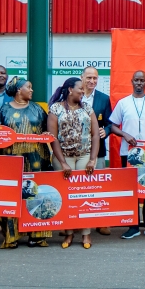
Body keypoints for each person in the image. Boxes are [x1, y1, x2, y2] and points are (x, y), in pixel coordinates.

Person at [0, 78, 61, 248]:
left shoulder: (38, 109)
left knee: (37, 194)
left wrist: (47, 133)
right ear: (18, 90)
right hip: (11, 160)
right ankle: (12, 236)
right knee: (12, 195)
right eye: (28, 87)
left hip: (36, 159)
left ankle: (37, 235)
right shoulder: (4, 110)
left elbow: (49, 129)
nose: (31, 91)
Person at [109, 70, 145, 239]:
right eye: (136, 80)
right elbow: (112, 126)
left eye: (142, 80)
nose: (139, 83)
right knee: (131, 189)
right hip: (128, 153)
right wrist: (125, 135)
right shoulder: (123, 103)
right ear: (132, 82)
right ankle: (133, 226)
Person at [49, 76, 99, 249]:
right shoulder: (55, 109)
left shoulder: (87, 108)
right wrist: (62, 162)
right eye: (80, 89)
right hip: (63, 157)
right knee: (66, 195)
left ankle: (86, 234)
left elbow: (95, 135)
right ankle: (69, 233)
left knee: (83, 194)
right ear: (70, 89)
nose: (83, 92)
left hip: (84, 155)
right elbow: (52, 137)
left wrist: (92, 160)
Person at [79, 65, 113, 236]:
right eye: (89, 78)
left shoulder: (103, 99)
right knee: (76, 187)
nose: (92, 81)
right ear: (82, 78)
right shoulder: (73, 96)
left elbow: (110, 123)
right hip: (75, 151)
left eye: (95, 78)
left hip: (97, 150)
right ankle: (73, 223)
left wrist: (105, 131)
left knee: (98, 186)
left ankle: (101, 221)